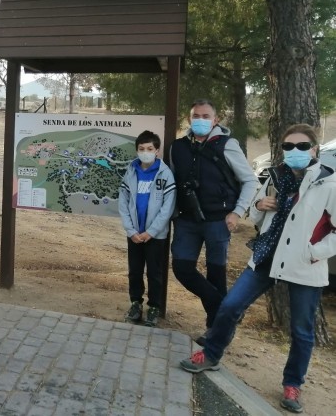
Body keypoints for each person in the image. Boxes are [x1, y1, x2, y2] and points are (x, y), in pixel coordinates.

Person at [180, 124, 336, 414]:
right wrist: (260, 204)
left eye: (302, 147)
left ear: (314, 149)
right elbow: (253, 211)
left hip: (304, 265)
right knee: (230, 306)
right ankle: (211, 353)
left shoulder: (329, 182)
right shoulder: (276, 176)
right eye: (288, 147)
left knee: (301, 330)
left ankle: (292, 384)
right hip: (268, 255)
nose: (294, 152)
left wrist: (314, 253)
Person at [169, 99, 258, 344]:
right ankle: (224, 308)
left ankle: (215, 332)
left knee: (216, 275)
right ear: (189, 119)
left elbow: (250, 181)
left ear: (216, 119)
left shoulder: (227, 145)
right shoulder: (177, 147)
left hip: (218, 221)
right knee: (182, 269)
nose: (200, 120)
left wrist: (237, 212)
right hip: (186, 221)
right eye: (195, 115)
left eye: (206, 116)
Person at [118, 130, 176, 327]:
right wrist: (131, 230)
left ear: (157, 151)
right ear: (137, 151)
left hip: (155, 236)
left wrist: (151, 232)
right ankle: (135, 303)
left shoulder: (165, 174)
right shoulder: (131, 172)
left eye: (150, 149)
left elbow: (167, 209)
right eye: (141, 149)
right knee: (134, 271)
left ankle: (154, 307)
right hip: (134, 234)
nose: (145, 152)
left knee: (154, 272)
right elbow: (123, 203)